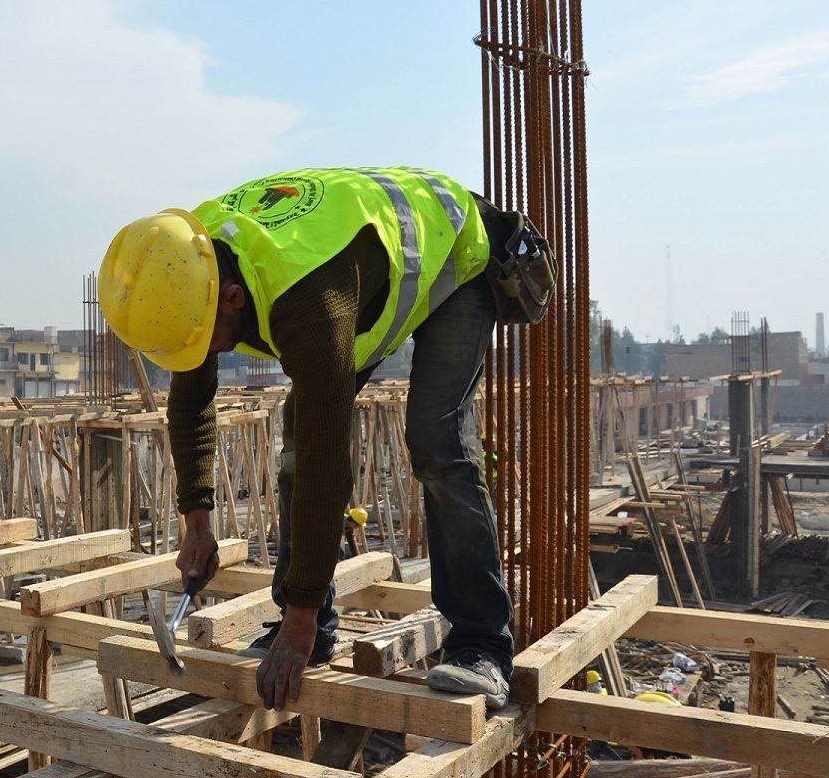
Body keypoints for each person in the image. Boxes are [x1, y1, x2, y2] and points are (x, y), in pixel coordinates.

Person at [99, 165, 524, 712]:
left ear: (232, 299)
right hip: (363, 277)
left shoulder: (306, 303)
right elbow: (190, 399)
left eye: (206, 342)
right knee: (298, 439)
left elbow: (327, 469)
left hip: (457, 253)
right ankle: (313, 620)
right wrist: (196, 521)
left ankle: (482, 645)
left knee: (436, 441)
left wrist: (295, 622)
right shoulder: (188, 266)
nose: (205, 355)